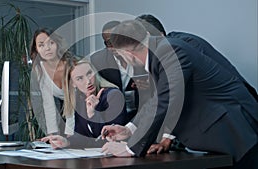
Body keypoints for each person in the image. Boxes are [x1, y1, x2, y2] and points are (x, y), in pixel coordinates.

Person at [101, 20, 258, 169]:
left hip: (235, 135)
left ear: (128, 54)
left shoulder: (170, 52)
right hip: (221, 138)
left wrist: (130, 149)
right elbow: (158, 99)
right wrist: (130, 129)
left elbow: (165, 101)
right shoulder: (162, 51)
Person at [135, 14, 258, 154]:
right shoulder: (167, 53)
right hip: (220, 130)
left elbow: (177, 96)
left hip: (239, 119)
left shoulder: (180, 46)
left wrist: (166, 139)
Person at [41, 58, 129, 148]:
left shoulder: (114, 96)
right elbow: (83, 137)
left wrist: (93, 115)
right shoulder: (79, 99)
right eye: (79, 78)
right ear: (73, 83)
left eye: (89, 73)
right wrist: (66, 141)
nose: (88, 81)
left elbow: (109, 138)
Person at [90, 21, 148, 122]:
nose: (113, 45)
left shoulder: (140, 53)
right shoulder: (98, 60)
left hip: (144, 112)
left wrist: (149, 86)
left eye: (116, 40)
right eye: (109, 42)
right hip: (115, 116)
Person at [30, 27, 72, 136]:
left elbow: (74, 103)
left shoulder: (71, 65)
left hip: (89, 106)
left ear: (57, 44)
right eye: (41, 45)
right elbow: (48, 103)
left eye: (51, 43)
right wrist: (52, 134)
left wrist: (69, 134)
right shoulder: (40, 69)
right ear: (36, 49)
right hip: (70, 110)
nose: (47, 48)